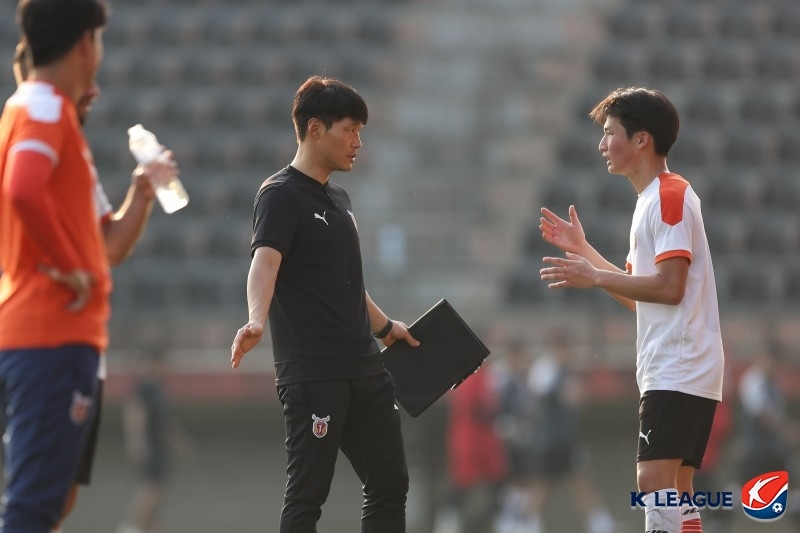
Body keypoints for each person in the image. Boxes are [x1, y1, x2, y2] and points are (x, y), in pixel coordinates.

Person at [1, 4, 175, 531]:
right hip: (51, 335)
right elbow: (22, 187)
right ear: (85, 43)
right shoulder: (44, 108)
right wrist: (68, 264)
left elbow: (109, 245)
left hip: (58, 339)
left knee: (54, 501)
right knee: (33, 507)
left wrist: (142, 192)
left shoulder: (52, 118)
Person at [230, 76, 419, 533]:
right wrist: (256, 319)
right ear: (315, 128)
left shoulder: (339, 198)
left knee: (390, 484)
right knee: (308, 495)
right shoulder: (279, 194)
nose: (358, 142)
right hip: (315, 374)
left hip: (365, 368)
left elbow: (346, 283)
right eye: (350, 130)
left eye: (360, 132)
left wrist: (385, 328)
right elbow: (264, 264)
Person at [538, 87, 724, 533]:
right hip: (682, 363)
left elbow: (671, 288)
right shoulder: (651, 200)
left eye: (609, 133)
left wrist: (594, 276)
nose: (602, 144)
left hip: (678, 363)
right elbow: (638, 297)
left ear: (641, 139)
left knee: (653, 481)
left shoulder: (669, 195)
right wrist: (585, 252)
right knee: (677, 488)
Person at [116, 350, 194, 533]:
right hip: (150, 445)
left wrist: (179, 442)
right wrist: (137, 442)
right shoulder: (144, 388)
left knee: (160, 491)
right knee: (152, 488)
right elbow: (135, 415)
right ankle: (129, 527)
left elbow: (166, 422)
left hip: (160, 446)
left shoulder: (160, 388)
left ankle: (152, 528)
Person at [444, 362, 508, 533]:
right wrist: (496, 415)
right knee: (464, 484)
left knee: (496, 482)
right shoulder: (469, 377)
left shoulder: (486, 375)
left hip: (485, 439)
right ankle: (449, 522)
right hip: (470, 439)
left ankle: (489, 522)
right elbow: (476, 409)